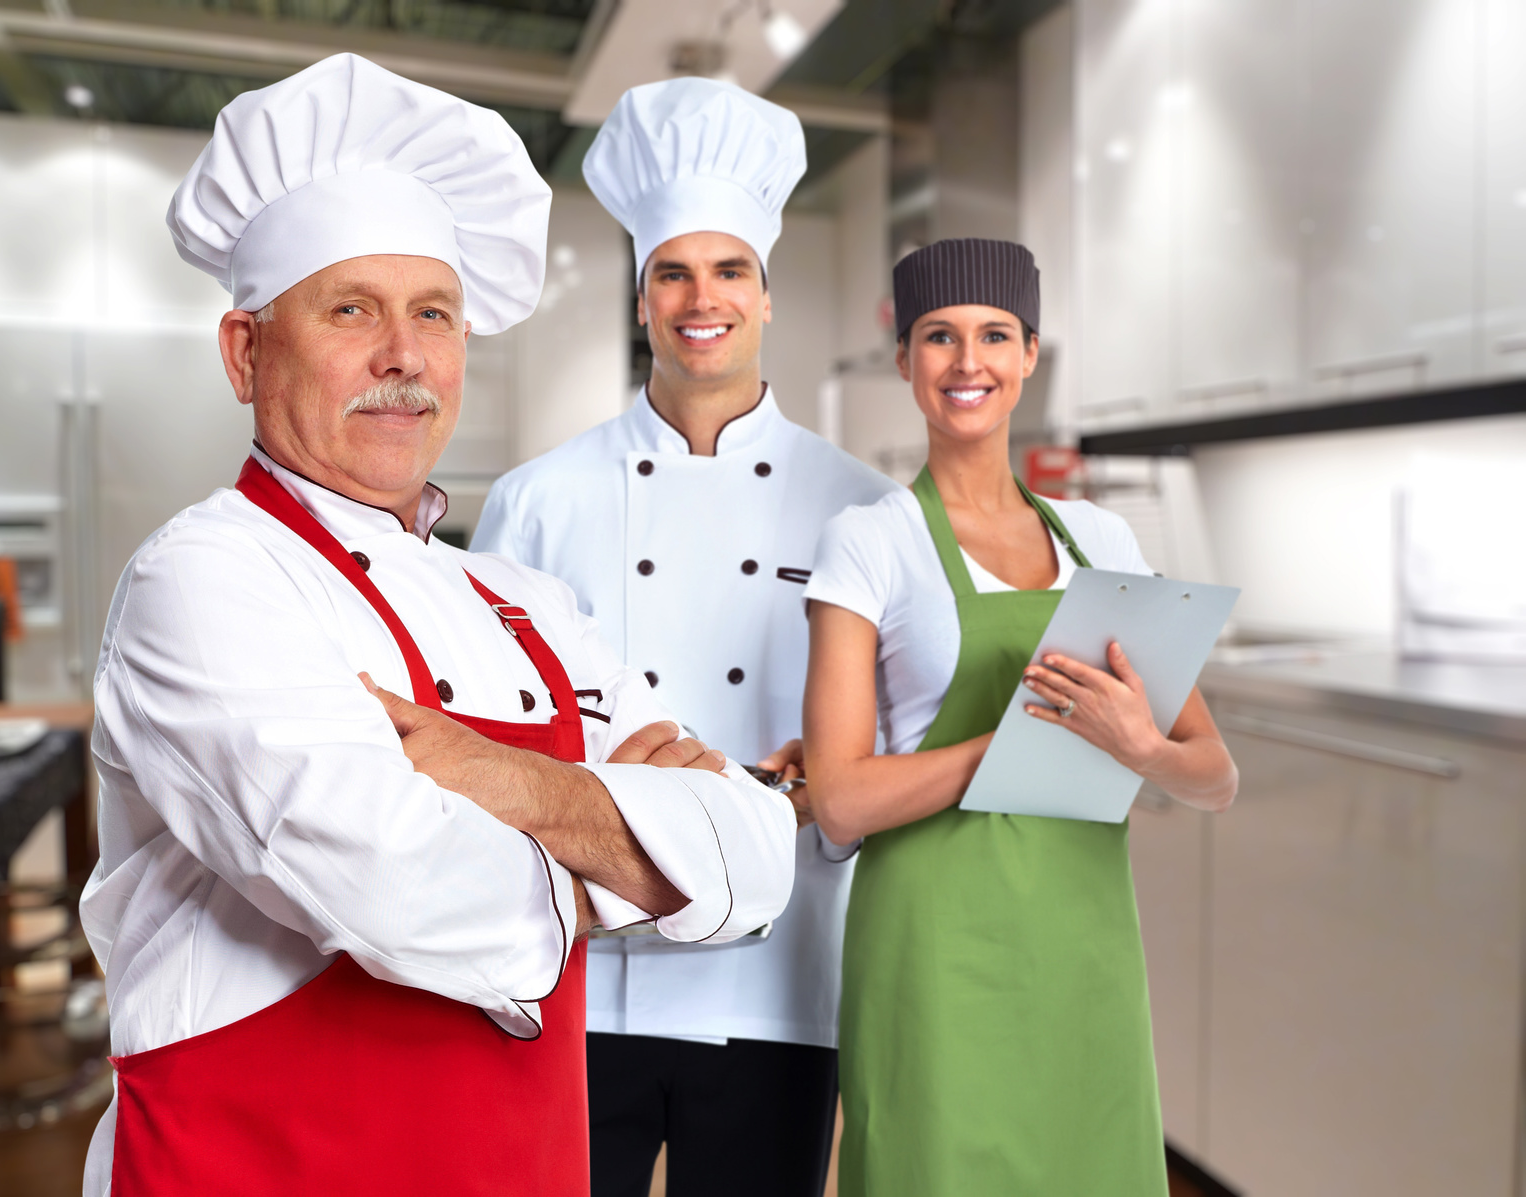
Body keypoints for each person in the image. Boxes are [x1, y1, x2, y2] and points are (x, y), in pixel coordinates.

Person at [80, 54, 796, 1197]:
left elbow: (757, 853)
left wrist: (489, 781)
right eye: (350, 308)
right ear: (246, 352)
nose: (404, 355)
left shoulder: (524, 605)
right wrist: (641, 850)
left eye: (435, 315)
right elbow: (396, 892)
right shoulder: (202, 582)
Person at [471, 77, 898, 1197]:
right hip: (584, 965)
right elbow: (494, 726)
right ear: (642, 299)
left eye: (728, 271)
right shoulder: (538, 499)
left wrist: (830, 774)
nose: (699, 298)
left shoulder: (861, 504)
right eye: (672, 272)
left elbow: (885, 742)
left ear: (766, 298)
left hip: (779, 974)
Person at [801, 238, 1239, 1195]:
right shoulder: (869, 542)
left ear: (1030, 354)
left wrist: (1137, 746)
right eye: (938, 337)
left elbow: (1212, 774)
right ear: (905, 360)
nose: (969, 363)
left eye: (995, 336)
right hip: (933, 939)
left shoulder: (1105, 538)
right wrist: (1014, 741)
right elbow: (837, 798)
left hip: (1083, 934)